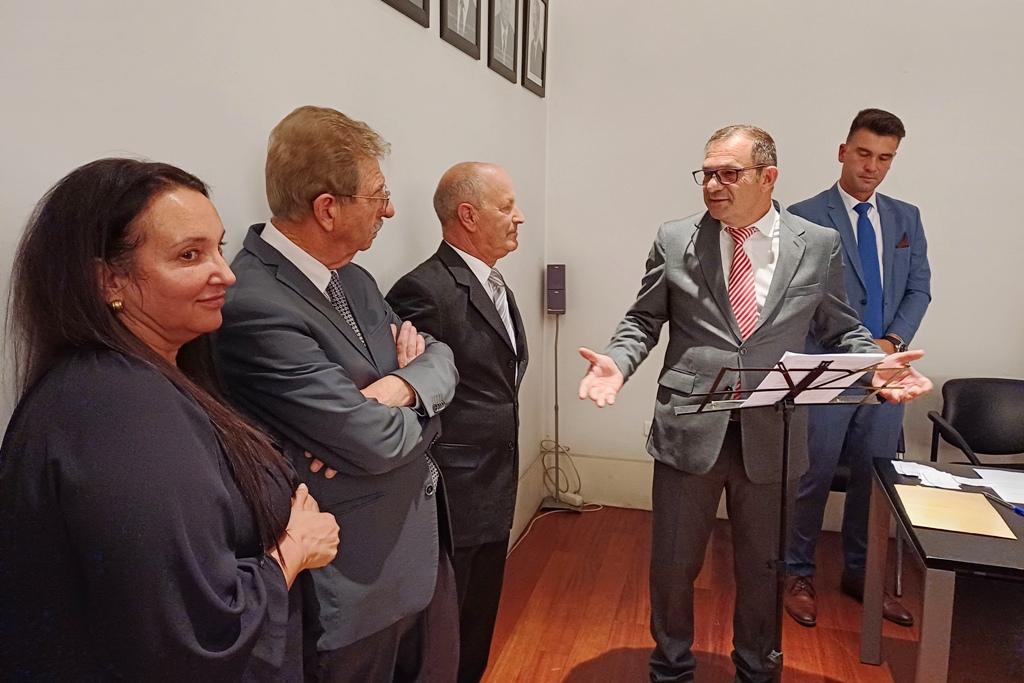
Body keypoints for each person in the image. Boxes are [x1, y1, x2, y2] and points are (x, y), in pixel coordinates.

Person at [576, 125, 932, 683]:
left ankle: (757, 669)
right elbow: (643, 319)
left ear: (768, 177)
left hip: (776, 433)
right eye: (706, 174)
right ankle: (670, 667)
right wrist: (618, 362)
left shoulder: (817, 244)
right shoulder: (676, 238)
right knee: (673, 566)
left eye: (728, 173)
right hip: (690, 426)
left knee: (765, 568)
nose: (712, 185)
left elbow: (841, 327)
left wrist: (876, 364)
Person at [0, 158, 339, 682]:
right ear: (108, 279)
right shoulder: (115, 410)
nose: (226, 273)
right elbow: (191, 636)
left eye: (218, 247)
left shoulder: (149, 378)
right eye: (189, 255)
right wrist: (294, 551)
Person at [215, 106, 461, 683]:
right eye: (378, 195)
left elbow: (441, 357)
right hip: (356, 581)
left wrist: (400, 387)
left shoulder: (352, 276)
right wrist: (417, 405)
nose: (389, 210)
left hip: (418, 553)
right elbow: (374, 442)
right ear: (327, 208)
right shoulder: (254, 304)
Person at [784, 109, 931, 629]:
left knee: (874, 478)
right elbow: (795, 298)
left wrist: (890, 344)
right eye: (864, 154)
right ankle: (797, 573)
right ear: (843, 152)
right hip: (827, 366)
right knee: (812, 474)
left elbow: (918, 289)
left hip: (888, 372)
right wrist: (852, 351)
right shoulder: (802, 216)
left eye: (885, 158)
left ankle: (862, 574)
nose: (872, 167)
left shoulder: (906, 218)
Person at [386, 162, 528, 683]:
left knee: (478, 621)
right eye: (506, 206)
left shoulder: (493, 283)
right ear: (468, 215)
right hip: (453, 496)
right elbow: (416, 395)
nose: (519, 217)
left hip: (494, 485)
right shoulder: (423, 291)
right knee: (442, 636)